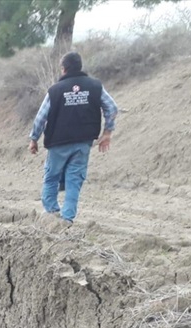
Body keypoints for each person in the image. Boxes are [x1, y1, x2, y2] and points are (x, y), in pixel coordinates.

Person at [29, 51, 118, 223]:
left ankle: (51, 213)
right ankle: (67, 218)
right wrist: (107, 132)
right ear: (80, 66)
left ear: (63, 69)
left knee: (52, 177)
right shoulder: (95, 86)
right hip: (83, 142)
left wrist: (34, 139)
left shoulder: (55, 90)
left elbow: (41, 117)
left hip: (58, 142)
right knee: (74, 179)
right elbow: (112, 108)